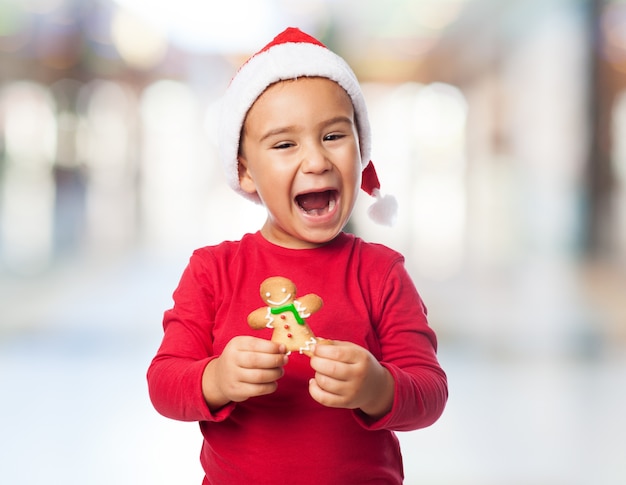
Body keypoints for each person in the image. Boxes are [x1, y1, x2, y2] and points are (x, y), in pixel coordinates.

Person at [147, 27, 448, 485]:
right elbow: (164, 382)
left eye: (333, 136)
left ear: (360, 151)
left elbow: (429, 391)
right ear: (245, 171)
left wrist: (378, 387)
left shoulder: (381, 272)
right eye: (285, 144)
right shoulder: (213, 270)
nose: (316, 161)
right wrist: (217, 379)